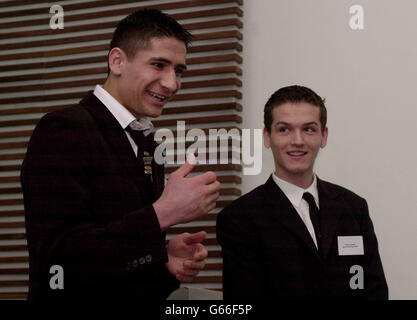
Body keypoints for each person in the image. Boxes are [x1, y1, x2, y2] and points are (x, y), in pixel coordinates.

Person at [21, 9, 221, 299]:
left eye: (178, 70)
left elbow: (116, 259)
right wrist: (162, 213)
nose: (171, 83)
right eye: (158, 65)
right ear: (117, 61)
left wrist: (163, 260)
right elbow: (58, 262)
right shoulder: (63, 128)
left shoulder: (149, 145)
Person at [217, 85, 388, 300]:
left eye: (308, 129)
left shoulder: (354, 208)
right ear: (267, 137)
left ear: (323, 136)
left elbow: (374, 290)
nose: (297, 141)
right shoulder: (240, 218)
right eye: (284, 129)